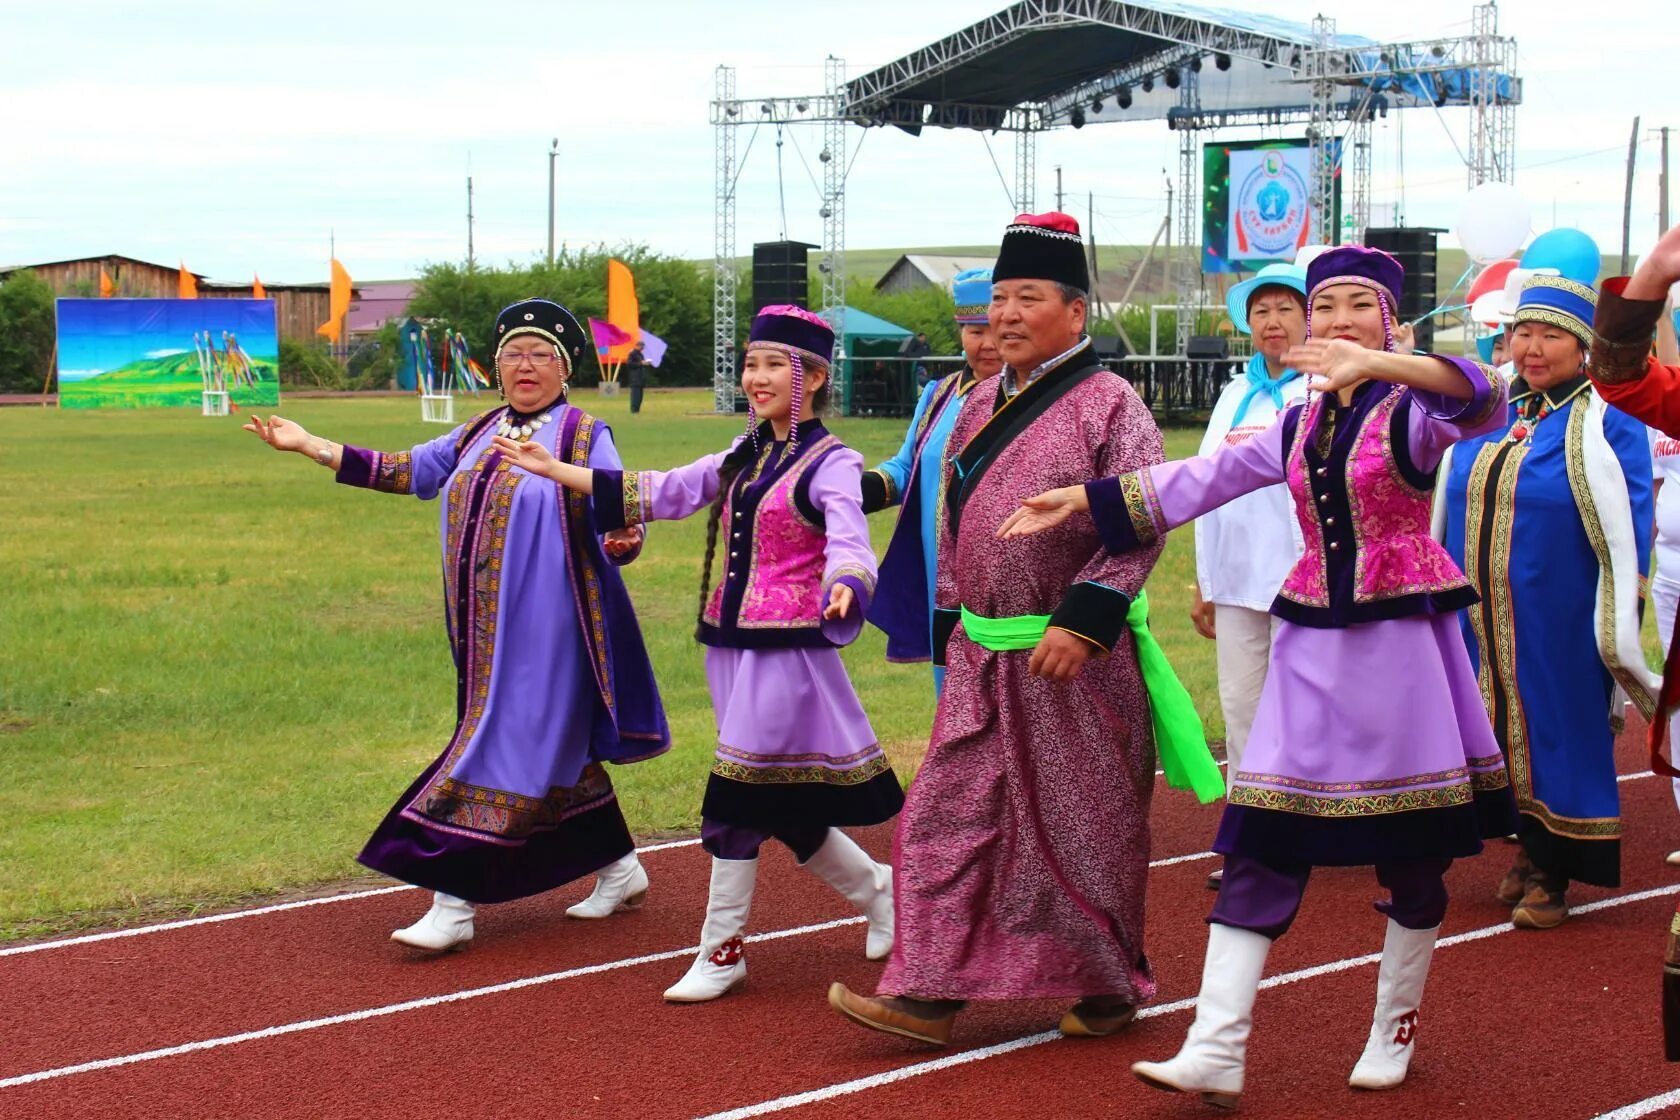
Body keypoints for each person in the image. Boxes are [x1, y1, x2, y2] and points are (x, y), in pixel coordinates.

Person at [999, 246, 1517, 1104]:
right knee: (1260, 838)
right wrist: (1084, 500)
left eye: (1360, 304)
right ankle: (1217, 1044)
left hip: (1400, 657)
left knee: (1413, 857)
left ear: (1391, 321)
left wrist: (1379, 363)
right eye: (1327, 307)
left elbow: (1482, 393)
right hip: (1309, 643)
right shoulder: (1296, 425)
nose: (1338, 321)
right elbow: (1201, 479)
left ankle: (1395, 1023)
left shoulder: (1416, 414)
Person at [829, 212, 1217, 1048]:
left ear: (1075, 313)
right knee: (942, 814)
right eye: (996, 299)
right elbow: (951, 522)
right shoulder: (970, 405)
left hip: (1076, 660)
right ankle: (926, 988)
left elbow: (1141, 522)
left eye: (1025, 298)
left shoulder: (1111, 405)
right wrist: (951, 625)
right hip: (982, 652)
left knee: (1087, 827)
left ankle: (1108, 986)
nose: (1004, 315)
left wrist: (1086, 621)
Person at [495, 304, 900, 1002]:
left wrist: (846, 582)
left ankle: (722, 952)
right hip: (732, 651)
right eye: (752, 363)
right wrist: (557, 469)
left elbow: (848, 533)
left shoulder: (833, 462)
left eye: (776, 365)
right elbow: (665, 490)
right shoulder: (746, 453)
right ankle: (881, 892)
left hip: (788, 657)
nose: (758, 377)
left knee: (733, 802)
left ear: (814, 377)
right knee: (783, 807)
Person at [241, 298, 671, 952]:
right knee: (549, 755)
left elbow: (616, 511)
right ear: (496, 368)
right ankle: (621, 869)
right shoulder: (476, 432)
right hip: (484, 642)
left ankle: (453, 905)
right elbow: (406, 470)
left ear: (566, 368)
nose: (525, 367)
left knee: (489, 751)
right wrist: (311, 446)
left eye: (541, 355)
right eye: (512, 355)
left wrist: (621, 537)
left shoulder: (585, 434)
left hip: (553, 638)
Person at [1441, 274, 1656, 930]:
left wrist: (1622, 607)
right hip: (1486, 610)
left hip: (1564, 611)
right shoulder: (1498, 410)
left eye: (1551, 335)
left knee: (1557, 728)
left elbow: (1633, 511)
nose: (1532, 348)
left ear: (1585, 345)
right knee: (1499, 725)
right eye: (1523, 332)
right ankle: (1530, 851)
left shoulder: (1607, 415)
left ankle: (1555, 871)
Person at [1194, 263, 1309, 888]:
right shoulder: (1233, 394)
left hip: (1303, 579)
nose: (1271, 321)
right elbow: (1203, 485)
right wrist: (1203, 584)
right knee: (1242, 707)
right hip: (1237, 581)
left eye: (1285, 308)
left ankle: (1313, 826)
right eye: (1261, 310)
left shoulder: (1322, 389)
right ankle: (1252, 839)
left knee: (1305, 709)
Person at [860, 267, 1002, 691]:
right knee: (952, 693)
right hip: (938, 573)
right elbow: (906, 467)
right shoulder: (938, 394)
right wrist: (853, 490)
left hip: (1001, 574)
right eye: (975, 331)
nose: (988, 343)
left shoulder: (1036, 400)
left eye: (997, 330)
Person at [625, 341, 649, 414]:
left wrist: (645, 363)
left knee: (640, 396)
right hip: (635, 378)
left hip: (640, 378)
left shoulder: (640, 354)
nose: (642, 348)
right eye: (641, 346)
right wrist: (640, 363)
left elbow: (641, 363)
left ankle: (637, 409)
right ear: (637, 346)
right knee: (635, 395)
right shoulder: (632, 353)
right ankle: (634, 410)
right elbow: (629, 364)